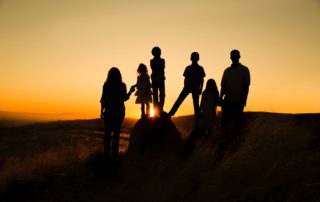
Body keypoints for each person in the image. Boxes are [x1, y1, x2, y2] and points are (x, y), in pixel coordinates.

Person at [100, 67, 135, 159]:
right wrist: (130, 92)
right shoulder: (122, 85)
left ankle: (106, 153)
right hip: (119, 111)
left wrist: (101, 112)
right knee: (116, 132)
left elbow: (103, 99)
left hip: (109, 110)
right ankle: (114, 154)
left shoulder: (106, 85)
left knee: (107, 133)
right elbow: (124, 98)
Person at [168, 52, 206, 126]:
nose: (194, 59)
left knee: (195, 104)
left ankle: (197, 121)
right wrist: (186, 86)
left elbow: (202, 79)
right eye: (193, 57)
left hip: (194, 88)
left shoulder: (200, 68)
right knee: (180, 100)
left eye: (195, 57)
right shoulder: (189, 68)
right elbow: (186, 78)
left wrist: (200, 88)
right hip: (188, 87)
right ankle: (171, 113)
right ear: (191, 58)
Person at [219, 49, 251, 137]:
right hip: (227, 101)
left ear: (239, 57)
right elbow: (223, 86)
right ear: (230, 57)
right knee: (225, 123)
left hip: (238, 101)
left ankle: (234, 141)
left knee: (237, 124)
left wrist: (244, 100)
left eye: (236, 56)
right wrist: (220, 98)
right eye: (233, 56)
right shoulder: (227, 71)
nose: (234, 58)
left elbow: (246, 87)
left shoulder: (244, 70)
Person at [150, 46, 166, 116]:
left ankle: (160, 109)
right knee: (155, 96)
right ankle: (156, 111)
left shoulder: (162, 60)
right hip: (155, 80)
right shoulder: (152, 61)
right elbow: (155, 67)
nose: (159, 54)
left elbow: (161, 67)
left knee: (162, 95)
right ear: (153, 53)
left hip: (161, 79)